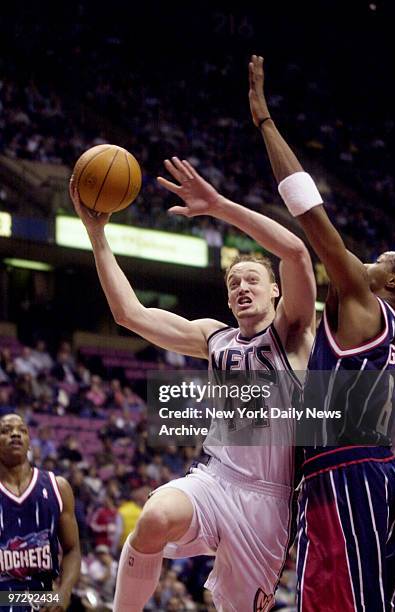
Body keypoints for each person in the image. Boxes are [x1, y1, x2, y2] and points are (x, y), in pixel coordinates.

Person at [70, 152, 316, 611]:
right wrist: (97, 233)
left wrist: (219, 205)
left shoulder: (293, 331)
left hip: (268, 503)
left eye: (252, 281)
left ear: (275, 290)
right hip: (215, 480)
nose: (242, 288)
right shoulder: (214, 337)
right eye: (233, 283)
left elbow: (297, 252)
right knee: (155, 516)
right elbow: (130, 314)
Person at [248, 54, 395, 611]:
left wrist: (264, 120)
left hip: (349, 471)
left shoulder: (362, 301)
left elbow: (310, 214)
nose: (374, 256)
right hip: (359, 470)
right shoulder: (378, 326)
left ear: (394, 280)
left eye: (385, 256)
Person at [0, 413, 81, 611]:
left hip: (44, 599)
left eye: (22, 431)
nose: (15, 435)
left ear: (29, 443)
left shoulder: (57, 487)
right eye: (6, 431)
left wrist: (64, 592)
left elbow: (72, 549)